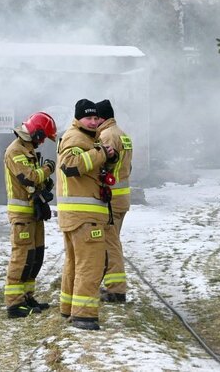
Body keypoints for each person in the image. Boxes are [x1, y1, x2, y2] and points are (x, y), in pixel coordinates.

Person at [56, 99, 117, 330]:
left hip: (77, 216)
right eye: (88, 118)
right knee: (90, 265)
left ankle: (68, 309)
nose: (93, 122)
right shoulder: (76, 138)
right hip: (84, 217)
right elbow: (70, 166)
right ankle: (84, 316)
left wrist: (109, 157)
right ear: (78, 118)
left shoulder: (89, 139)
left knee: (74, 264)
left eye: (95, 118)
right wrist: (100, 152)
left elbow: (92, 170)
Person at [3, 112, 57, 318]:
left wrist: (45, 186)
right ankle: (14, 304)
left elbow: (37, 182)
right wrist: (47, 169)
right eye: (42, 138)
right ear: (36, 133)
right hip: (22, 215)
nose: (42, 142)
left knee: (35, 257)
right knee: (22, 258)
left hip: (33, 213)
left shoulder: (28, 150)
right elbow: (29, 178)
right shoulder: (15, 151)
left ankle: (27, 297)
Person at [96, 99, 133, 303]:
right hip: (121, 198)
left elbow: (103, 165)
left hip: (111, 198)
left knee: (110, 244)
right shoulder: (122, 134)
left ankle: (116, 291)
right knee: (112, 242)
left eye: (95, 118)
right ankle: (112, 286)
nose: (93, 122)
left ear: (102, 117)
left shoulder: (107, 136)